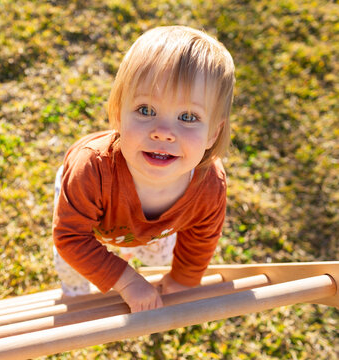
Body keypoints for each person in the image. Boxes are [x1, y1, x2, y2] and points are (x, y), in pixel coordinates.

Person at [52, 25, 235, 313]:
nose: (163, 132)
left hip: (149, 230)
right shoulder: (89, 170)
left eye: (188, 116)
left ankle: (132, 248)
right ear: (117, 114)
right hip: (89, 217)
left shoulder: (209, 185)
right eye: (146, 110)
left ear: (213, 133)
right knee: (75, 268)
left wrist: (184, 280)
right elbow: (71, 238)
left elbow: (201, 237)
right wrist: (126, 281)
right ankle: (77, 296)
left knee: (156, 254)